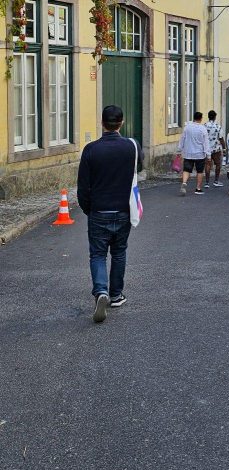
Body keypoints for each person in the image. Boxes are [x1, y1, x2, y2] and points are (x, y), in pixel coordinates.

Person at [77, 104, 143, 324]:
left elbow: (83, 187)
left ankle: (101, 292)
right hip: (123, 210)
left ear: (102, 123)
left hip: (98, 210)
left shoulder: (90, 149)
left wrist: (89, 209)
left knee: (97, 254)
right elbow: (139, 169)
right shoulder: (131, 147)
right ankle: (115, 295)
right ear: (121, 123)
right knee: (119, 252)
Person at [178, 111, 211, 196]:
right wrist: (208, 154)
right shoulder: (203, 129)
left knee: (186, 169)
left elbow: (182, 139)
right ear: (201, 118)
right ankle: (198, 188)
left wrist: (179, 149)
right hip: (199, 154)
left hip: (188, 153)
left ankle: (184, 183)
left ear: (194, 118)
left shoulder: (187, 127)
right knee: (199, 171)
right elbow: (206, 142)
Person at [205, 109, 226, 188]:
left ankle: (207, 182)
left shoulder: (205, 126)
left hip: (207, 149)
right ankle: (216, 181)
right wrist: (224, 147)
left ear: (208, 117)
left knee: (207, 165)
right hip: (216, 148)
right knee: (218, 164)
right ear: (215, 117)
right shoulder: (218, 126)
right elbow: (221, 138)